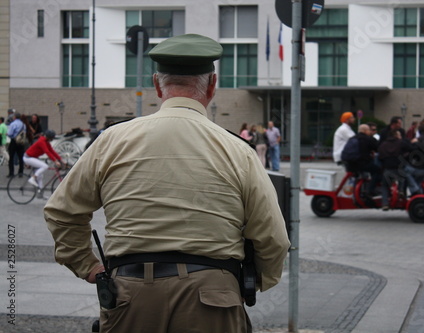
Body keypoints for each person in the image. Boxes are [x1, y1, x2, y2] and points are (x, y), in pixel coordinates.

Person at [44, 34, 290, 333]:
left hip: (131, 295)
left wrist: (88, 265)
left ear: (157, 85)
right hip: (213, 296)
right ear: (212, 85)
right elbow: (273, 237)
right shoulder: (237, 150)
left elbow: (62, 211)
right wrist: (248, 282)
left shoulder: (113, 140)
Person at [378, 129, 413, 210]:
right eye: (399, 135)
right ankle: (401, 191)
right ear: (396, 136)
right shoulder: (400, 143)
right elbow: (411, 148)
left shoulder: (383, 144)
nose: (400, 137)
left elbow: (380, 156)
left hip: (388, 168)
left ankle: (385, 203)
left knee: (384, 185)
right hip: (398, 167)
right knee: (403, 176)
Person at [23, 130, 64, 194]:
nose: (52, 139)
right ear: (49, 137)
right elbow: (47, 152)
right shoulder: (42, 141)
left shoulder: (46, 142)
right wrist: (55, 161)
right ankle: (32, 178)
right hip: (28, 158)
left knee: (40, 176)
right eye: (52, 138)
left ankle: (40, 193)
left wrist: (61, 160)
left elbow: (52, 151)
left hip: (33, 158)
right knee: (45, 166)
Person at [346, 124, 381, 196]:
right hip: (362, 164)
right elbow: (378, 148)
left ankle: (358, 191)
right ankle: (370, 190)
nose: (370, 132)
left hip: (350, 165)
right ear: (365, 131)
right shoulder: (368, 139)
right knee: (378, 171)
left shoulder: (352, 139)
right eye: (369, 130)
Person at [6, 112, 26, 177]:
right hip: (21, 142)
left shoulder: (13, 124)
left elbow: (10, 133)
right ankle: (21, 172)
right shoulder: (23, 124)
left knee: (11, 157)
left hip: (14, 141)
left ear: (15, 117)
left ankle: (11, 173)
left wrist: (8, 134)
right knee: (21, 158)